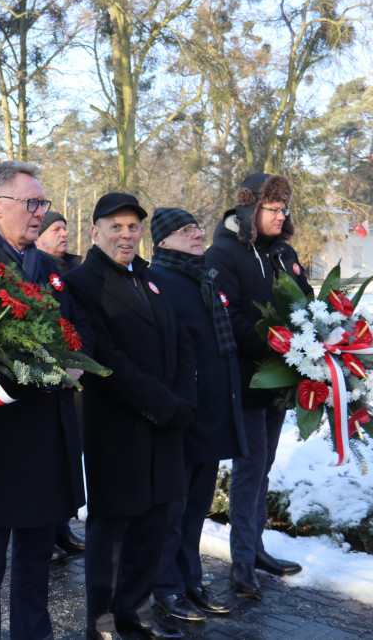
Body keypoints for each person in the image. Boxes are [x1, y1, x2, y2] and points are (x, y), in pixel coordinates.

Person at [0, 161, 87, 640]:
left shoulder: (49, 267)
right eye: (30, 203)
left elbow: (76, 327)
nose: (39, 214)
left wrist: (77, 359)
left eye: (42, 204)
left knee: (36, 554)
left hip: (50, 430)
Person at [66, 193, 197, 640]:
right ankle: (102, 623)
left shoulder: (150, 278)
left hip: (164, 426)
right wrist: (165, 404)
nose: (126, 235)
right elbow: (105, 358)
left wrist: (183, 402)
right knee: (114, 535)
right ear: (95, 230)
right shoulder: (82, 284)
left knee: (154, 528)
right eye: (116, 227)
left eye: (133, 227)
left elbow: (181, 343)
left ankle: (135, 616)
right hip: (118, 427)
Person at [205, 173, 311, 598]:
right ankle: (242, 563)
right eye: (272, 209)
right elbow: (228, 318)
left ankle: (256, 547)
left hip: (279, 380)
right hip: (245, 380)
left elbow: (306, 304)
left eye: (283, 209)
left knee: (263, 468)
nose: (280, 216)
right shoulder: (224, 252)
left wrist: (312, 345)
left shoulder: (284, 253)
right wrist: (281, 348)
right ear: (250, 210)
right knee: (250, 470)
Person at [149, 208, 247, 620]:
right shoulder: (161, 281)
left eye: (197, 228)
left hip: (212, 412)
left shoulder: (201, 276)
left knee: (195, 511)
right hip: (186, 415)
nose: (197, 234)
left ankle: (191, 581)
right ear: (163, 241)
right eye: (186, 230)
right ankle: (165, 586)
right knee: (173, 509)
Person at [36, 208, 89, 560]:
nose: (64, 234)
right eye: (55, 229)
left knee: (69, 454)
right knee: (47, 458)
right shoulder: (35, 268)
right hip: (42, 382)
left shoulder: (75, 271)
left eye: (65, 229)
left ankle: (62, 527)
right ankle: (46, 532)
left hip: (74, 377)